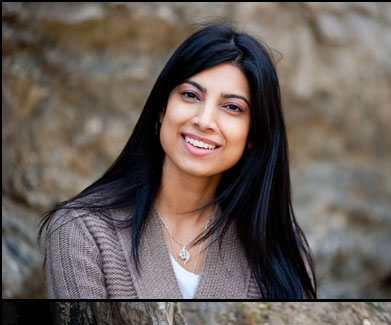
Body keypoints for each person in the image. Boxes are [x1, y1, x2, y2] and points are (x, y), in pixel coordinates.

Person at [40, 23, 316, 299]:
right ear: (162, 108)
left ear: (254, 133)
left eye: (232, 107)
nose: (204, 121)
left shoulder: (281, 248)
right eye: (190, 95)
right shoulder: (82, 230)